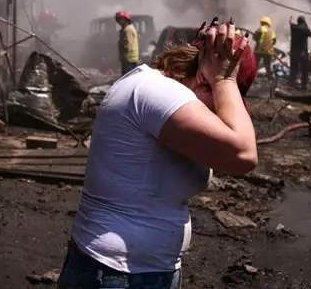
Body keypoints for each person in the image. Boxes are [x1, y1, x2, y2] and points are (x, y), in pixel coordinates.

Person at [59, 19, 258, 289]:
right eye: (221, 97)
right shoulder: (156, 91)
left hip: (141, 271)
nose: (220, 112)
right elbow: (243, 156)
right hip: (116, 274)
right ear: (204, 77)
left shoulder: (162, 93)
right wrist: (225, 79)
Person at [288, 16, 311, 89]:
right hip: (303, 53)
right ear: (304, 22)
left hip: (294, 53)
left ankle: (291, 83)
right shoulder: (305, 29)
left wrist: (290, 19)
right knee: (304, 70)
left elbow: (290, 23)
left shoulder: (293, 28)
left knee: (293, 69)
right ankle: (304, 85)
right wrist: (307, 25)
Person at [115, 11, 139, 75]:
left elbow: (128, 44)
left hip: (128, 59)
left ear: (126, 20)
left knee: (127, 78)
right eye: (119, 20)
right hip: (129, 59)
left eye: (122, 19)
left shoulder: (127, 30)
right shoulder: (129, 28)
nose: (120, 22)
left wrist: (124, 56)